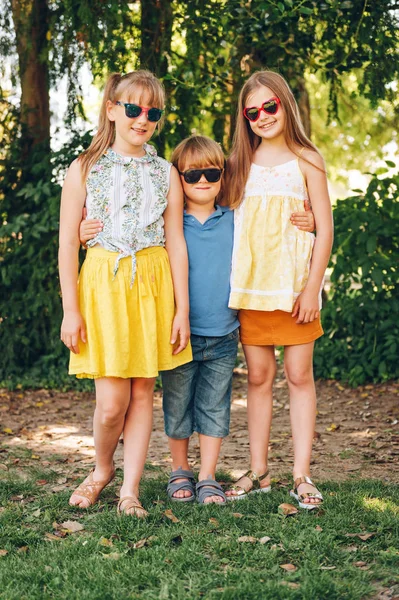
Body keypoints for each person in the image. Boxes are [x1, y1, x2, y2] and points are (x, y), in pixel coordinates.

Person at [81, 134, 315, 505]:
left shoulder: (236, 218)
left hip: (224, 331)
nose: (203, 181)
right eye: (192, 176)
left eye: (212, 173)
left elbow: (272, 226)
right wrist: (83, 234)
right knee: (177, 406)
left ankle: (207, 475)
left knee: (214, 406)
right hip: (179, 332)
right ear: (178, 178)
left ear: (224, 175)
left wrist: (311, 217)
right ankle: (180, 471)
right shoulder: (165, 225)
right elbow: (126, 229)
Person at [58, 70, 192, 518]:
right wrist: (70, 311)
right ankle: (101, 469)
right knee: (111, 401)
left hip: (153, 286)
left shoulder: (165, 171)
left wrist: (182, 310)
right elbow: (65, 245)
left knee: (141, 393)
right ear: (113, 110)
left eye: (152, 112)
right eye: (133, 108)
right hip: (103, 285)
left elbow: (176, 240)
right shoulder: (84, 167)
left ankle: (129, 490)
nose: (143, 119)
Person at [223, 71, 333, 509]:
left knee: (299, 376)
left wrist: (312, 288)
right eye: (253, 112)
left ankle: (302, 474)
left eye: (271, 106)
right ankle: (259, 470)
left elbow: (323, 230)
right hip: (252, 291)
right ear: (245, 118)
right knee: (259, 378)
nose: (263, 116)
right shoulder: (238, 165)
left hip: (294, 291)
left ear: (286, 104)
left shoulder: (308, 159)